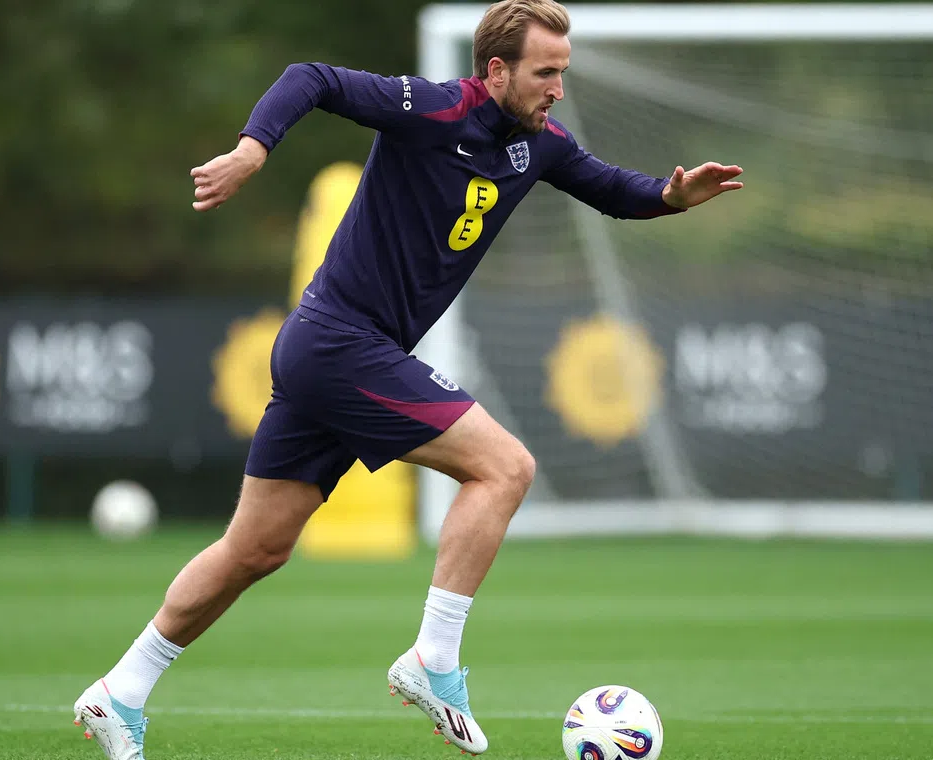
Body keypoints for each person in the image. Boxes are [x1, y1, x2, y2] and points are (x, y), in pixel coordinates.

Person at [72, 1, 742, 757]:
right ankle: (433, 658)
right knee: (506, 468)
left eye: (563, 72)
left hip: (331, 353)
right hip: (338, 343)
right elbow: (311, 77)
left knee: (253, 551)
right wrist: (254, 150)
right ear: (495, 71)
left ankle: (116, 694)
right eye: (545, 73)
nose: (558, 87)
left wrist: (670, 196)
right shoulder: (432, 109)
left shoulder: (541, 145)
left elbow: (614, 189)